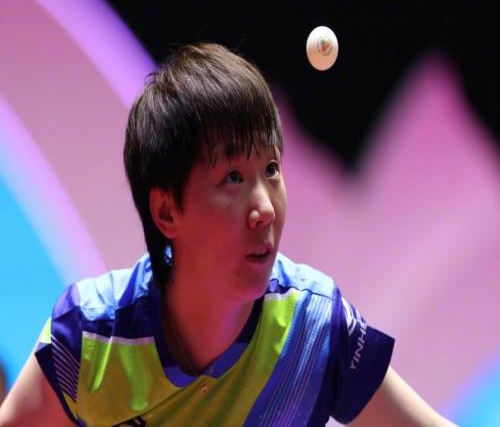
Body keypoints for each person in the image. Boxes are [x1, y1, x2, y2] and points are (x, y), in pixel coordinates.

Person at [0, 43, 455, 426]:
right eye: (232, 178)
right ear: (167, 211)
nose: (264, 208)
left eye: (271, 169)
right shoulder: (89, 336)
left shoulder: (313, 326)